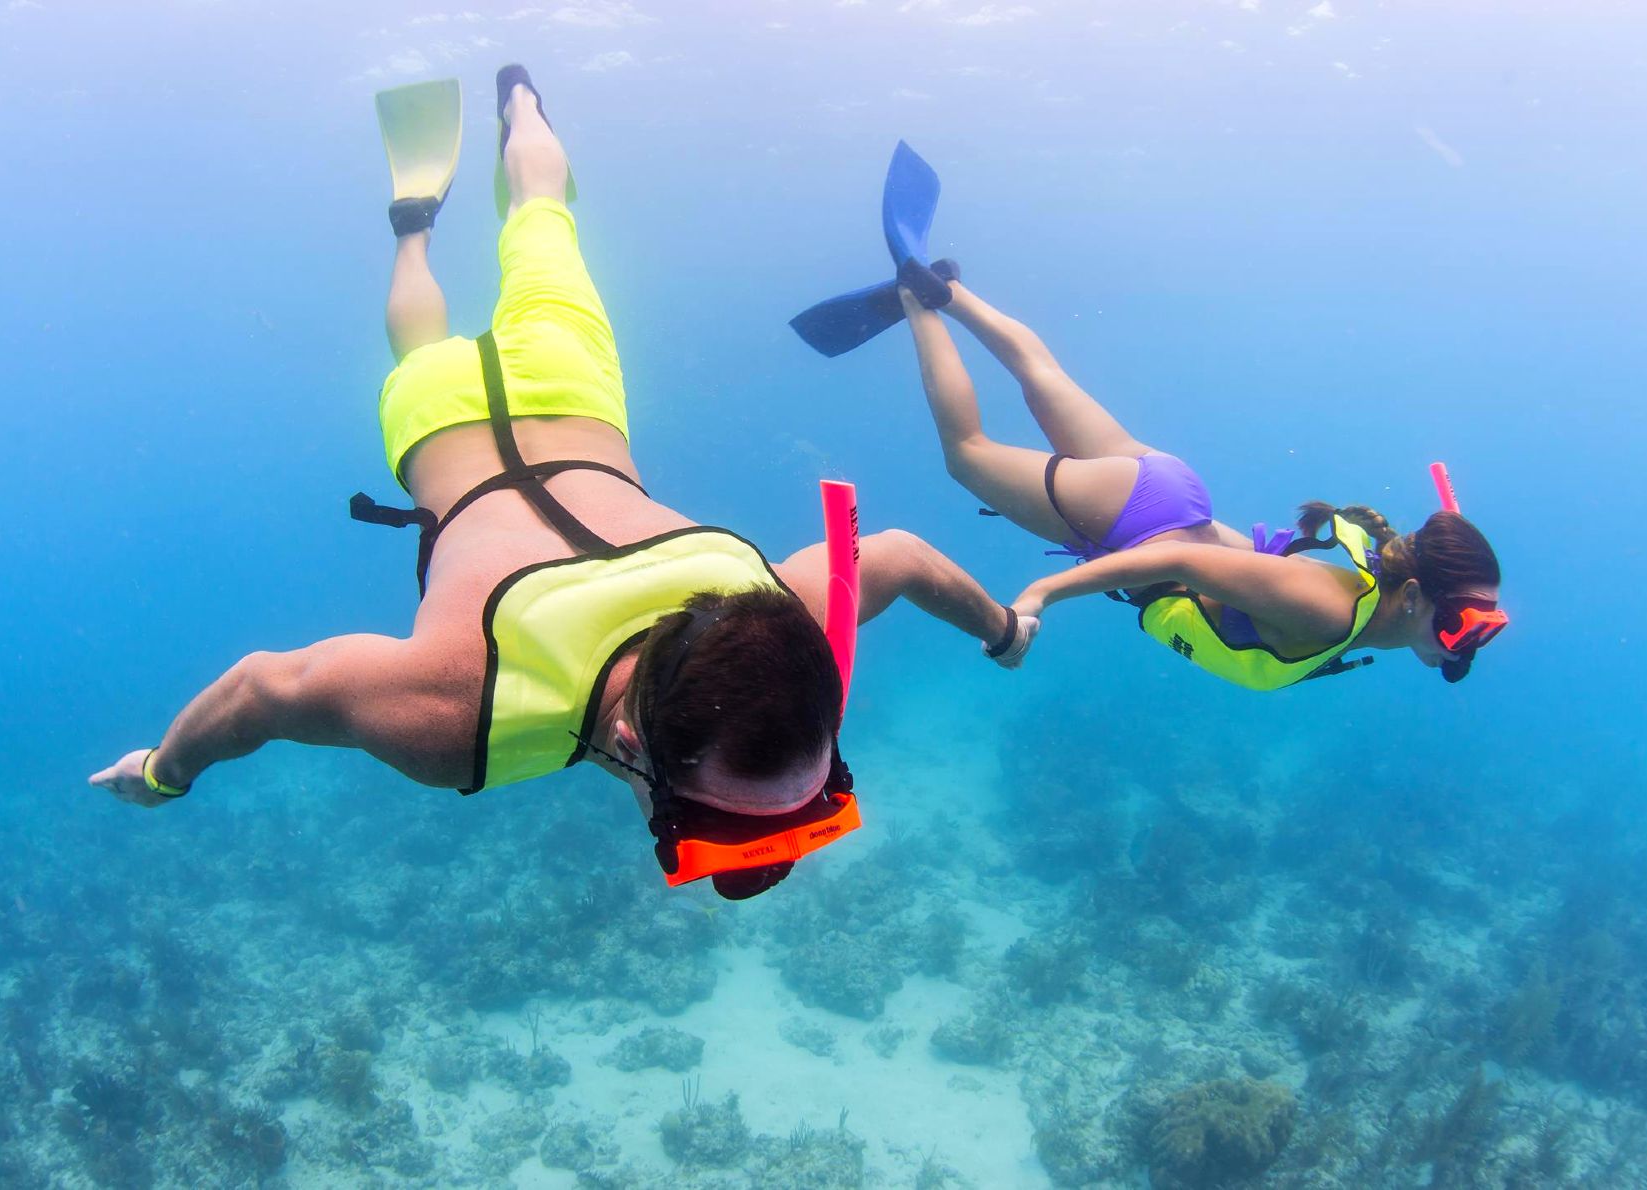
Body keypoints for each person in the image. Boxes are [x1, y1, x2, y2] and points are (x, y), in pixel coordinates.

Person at [89, 68, 1031, 899]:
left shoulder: (780, 614)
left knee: (543, 219)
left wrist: (1004, 631)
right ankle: (413, 230)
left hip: (571, 387)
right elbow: (261, 689)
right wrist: (162, 774)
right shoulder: (462, 720)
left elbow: (900, 558)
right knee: (420, 342)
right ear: (629, 749)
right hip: (437, 425)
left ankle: (522, 105)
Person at [791, 141, 1507, 691]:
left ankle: (949, 292)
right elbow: (1181, 559)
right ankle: (919, 299)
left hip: (1165, 491)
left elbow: (1223, 555)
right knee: (967, 453)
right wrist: (1043, 593)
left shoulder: (1348, 600)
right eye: (1463, 623)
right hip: (1137, 522)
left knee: (1044, 378)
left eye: (1480, 630)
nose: (1466, 642)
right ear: (1414, 595)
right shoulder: (1329, 611)